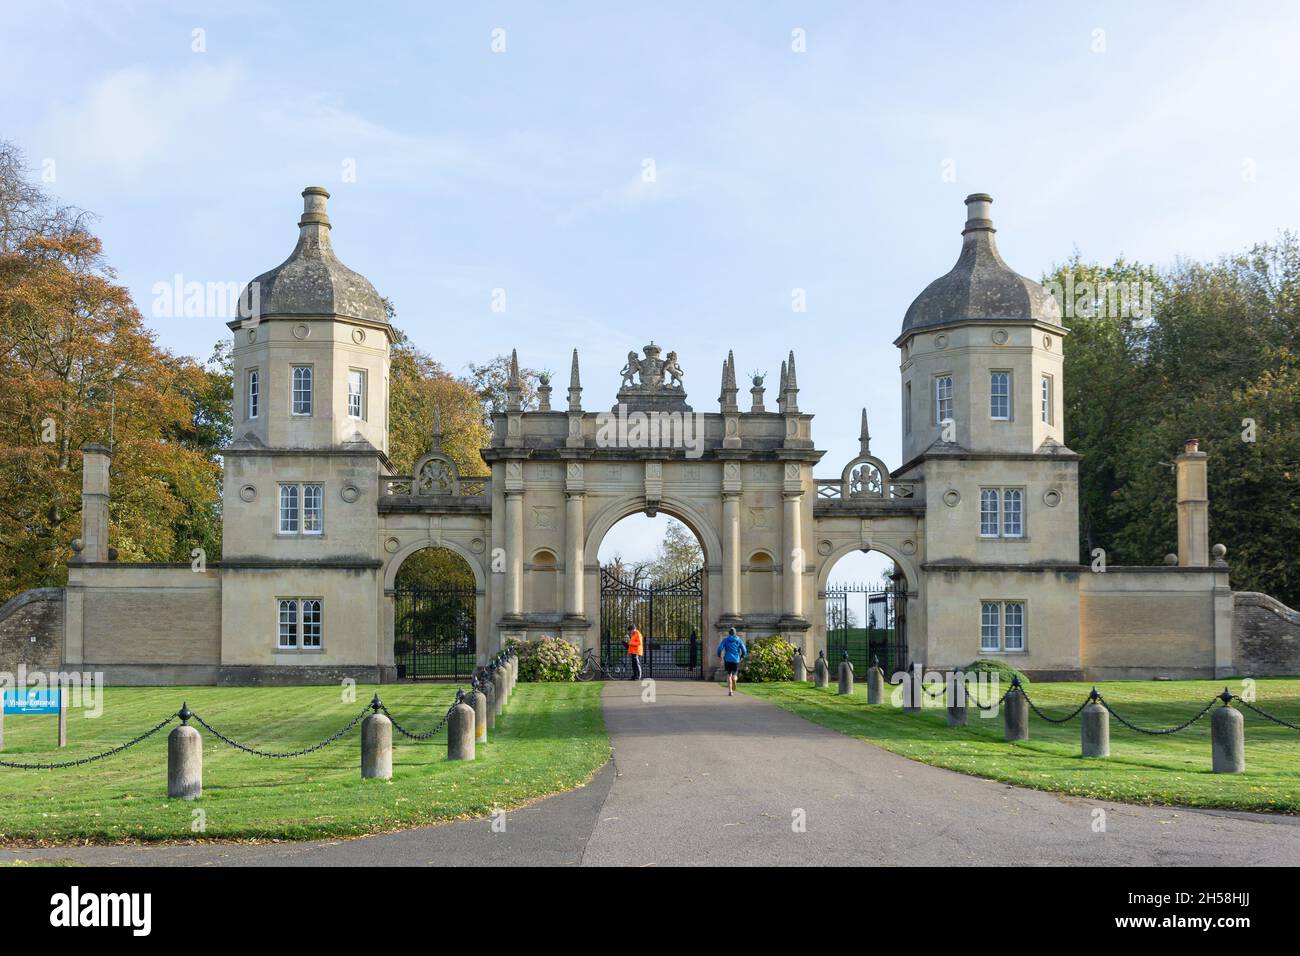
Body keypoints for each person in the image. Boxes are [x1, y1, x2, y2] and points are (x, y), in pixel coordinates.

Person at [717, 627, 747, 696]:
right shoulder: (738, 640)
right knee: (735, 674)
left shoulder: (726, 640)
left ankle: (730, 691)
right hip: (736, 659)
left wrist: (719, 655)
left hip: (727, 659)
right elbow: (744, 650)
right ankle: (734, 679)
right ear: (735, 633)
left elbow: (720, 648)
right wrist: (742, 656)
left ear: (729, 633)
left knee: (728, 674)